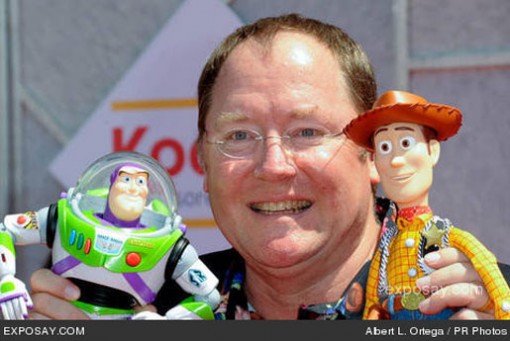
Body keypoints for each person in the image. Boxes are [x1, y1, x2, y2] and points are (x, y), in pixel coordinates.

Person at [28, 14, 509, 320]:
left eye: (307, 132)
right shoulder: (143, 305)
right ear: (202, 161)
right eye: (239, 136)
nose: (274, 166)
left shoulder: (480, 304)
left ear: (371, 156)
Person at [343, 90, 510, 320]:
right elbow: (374, 299)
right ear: (374, 162)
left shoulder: (441, 233)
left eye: (405, 143)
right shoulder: (387, 247)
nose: (395, 160)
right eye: (384, 148)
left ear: (432, 151)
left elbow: (486, 266)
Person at [1, 151, 220, 319]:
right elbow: (7, 231)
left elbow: (209, 297)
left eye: (141, 183)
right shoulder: (63, 217)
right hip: (60, 313)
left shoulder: (169, 245)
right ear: (112, 184)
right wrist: (6, 280)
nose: (133, 189)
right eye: (126, 180)